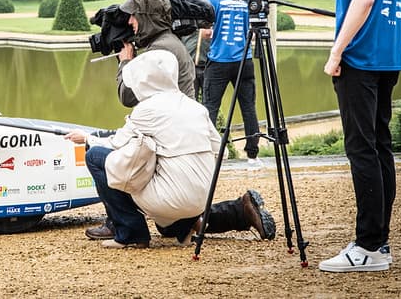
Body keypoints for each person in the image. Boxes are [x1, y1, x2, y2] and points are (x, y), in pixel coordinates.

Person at [65, 50, 275, 248]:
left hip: (170, 199)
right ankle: (189, 225)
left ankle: (130, 232)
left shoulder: (146, 110)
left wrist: (87, 138)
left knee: (95, 156)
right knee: (166, 219)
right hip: (201, 199)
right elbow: (222, 152)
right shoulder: (195, 107)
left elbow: (115, 145)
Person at [309, 0, 401, 273]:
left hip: (361, 59)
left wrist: (335, 52)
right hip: (389, 56)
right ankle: (379, 243)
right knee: (380, 145)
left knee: (361, 149)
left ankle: (367, 247)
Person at [84, 0, 196, 240]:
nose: (131, 22)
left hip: (166, 140)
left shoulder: (159, 51)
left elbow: (127, 97)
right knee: (170, 227)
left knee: (95, 153)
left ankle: (125, 227)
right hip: (177, 136)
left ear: (146, 16)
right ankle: (232, 212)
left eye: (133, 16)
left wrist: (125, 62)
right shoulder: (166, 43)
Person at [201, 0, 263, 169]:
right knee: (248, 108)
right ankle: (252, 156)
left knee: (210, 108)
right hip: (243, 60)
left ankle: (208, 155)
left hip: (219, 59)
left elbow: (204, 31)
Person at [180, 0, 221, 100]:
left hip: (211, 64)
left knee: (210, 105)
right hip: (189, 64)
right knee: (188, 104)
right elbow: (181, 25)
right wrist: (199, 32)